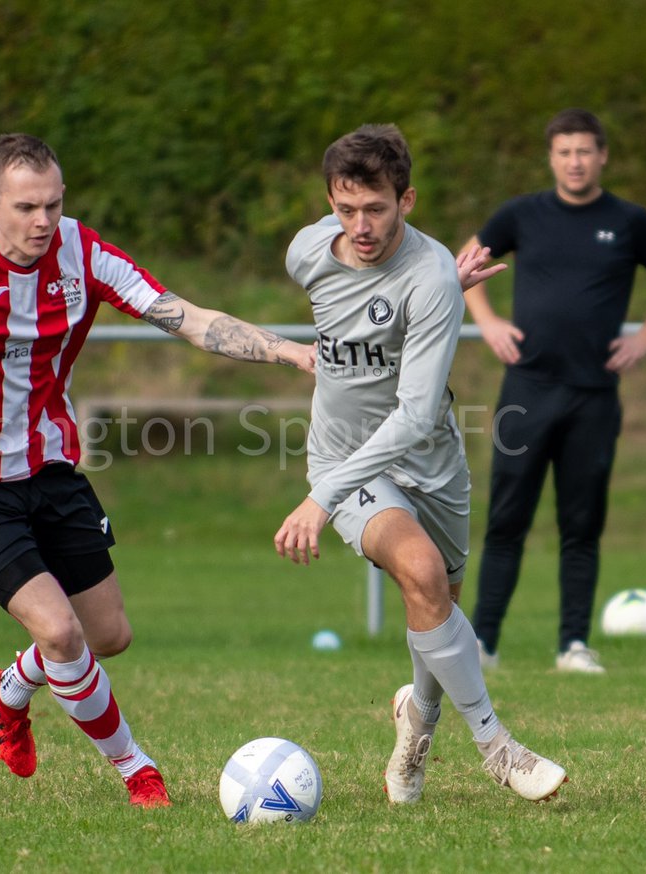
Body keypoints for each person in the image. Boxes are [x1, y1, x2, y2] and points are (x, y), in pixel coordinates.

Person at [0, 133, 316, 808]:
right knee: (60, 632)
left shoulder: (81, 252)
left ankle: (6, 689)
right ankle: (137, 769)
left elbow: (184, 317)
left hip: (46, 460)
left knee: (106, 636)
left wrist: (287, 351)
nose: (43, 221)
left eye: (54, 205)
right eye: (27, 206)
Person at [273, 123, 567, 803]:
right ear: (328, 203)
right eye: (345, 209)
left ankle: (416, 722)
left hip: (430, 461)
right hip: (346, 462)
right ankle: (499, 749)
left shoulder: (432, 275)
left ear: (407, 199)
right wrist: (327, 493)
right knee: (423, 570)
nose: (361, 225)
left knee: (435, 605)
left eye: (376, 208)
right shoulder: (307, 253)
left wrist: (433, 289)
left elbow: (411, 416)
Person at [462, 108, 646, 674]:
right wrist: (487, 321)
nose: (575, 161)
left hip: (593, 395)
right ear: (551, 157)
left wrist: (644, 337)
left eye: (585, 151)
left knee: (581, 523)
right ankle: (482, 645)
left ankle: (573, 646)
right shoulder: (521, 214)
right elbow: (463, 262)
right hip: (526, 391)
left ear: (602, 155)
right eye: (565, 151)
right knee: (507, 521)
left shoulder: (630, 221)